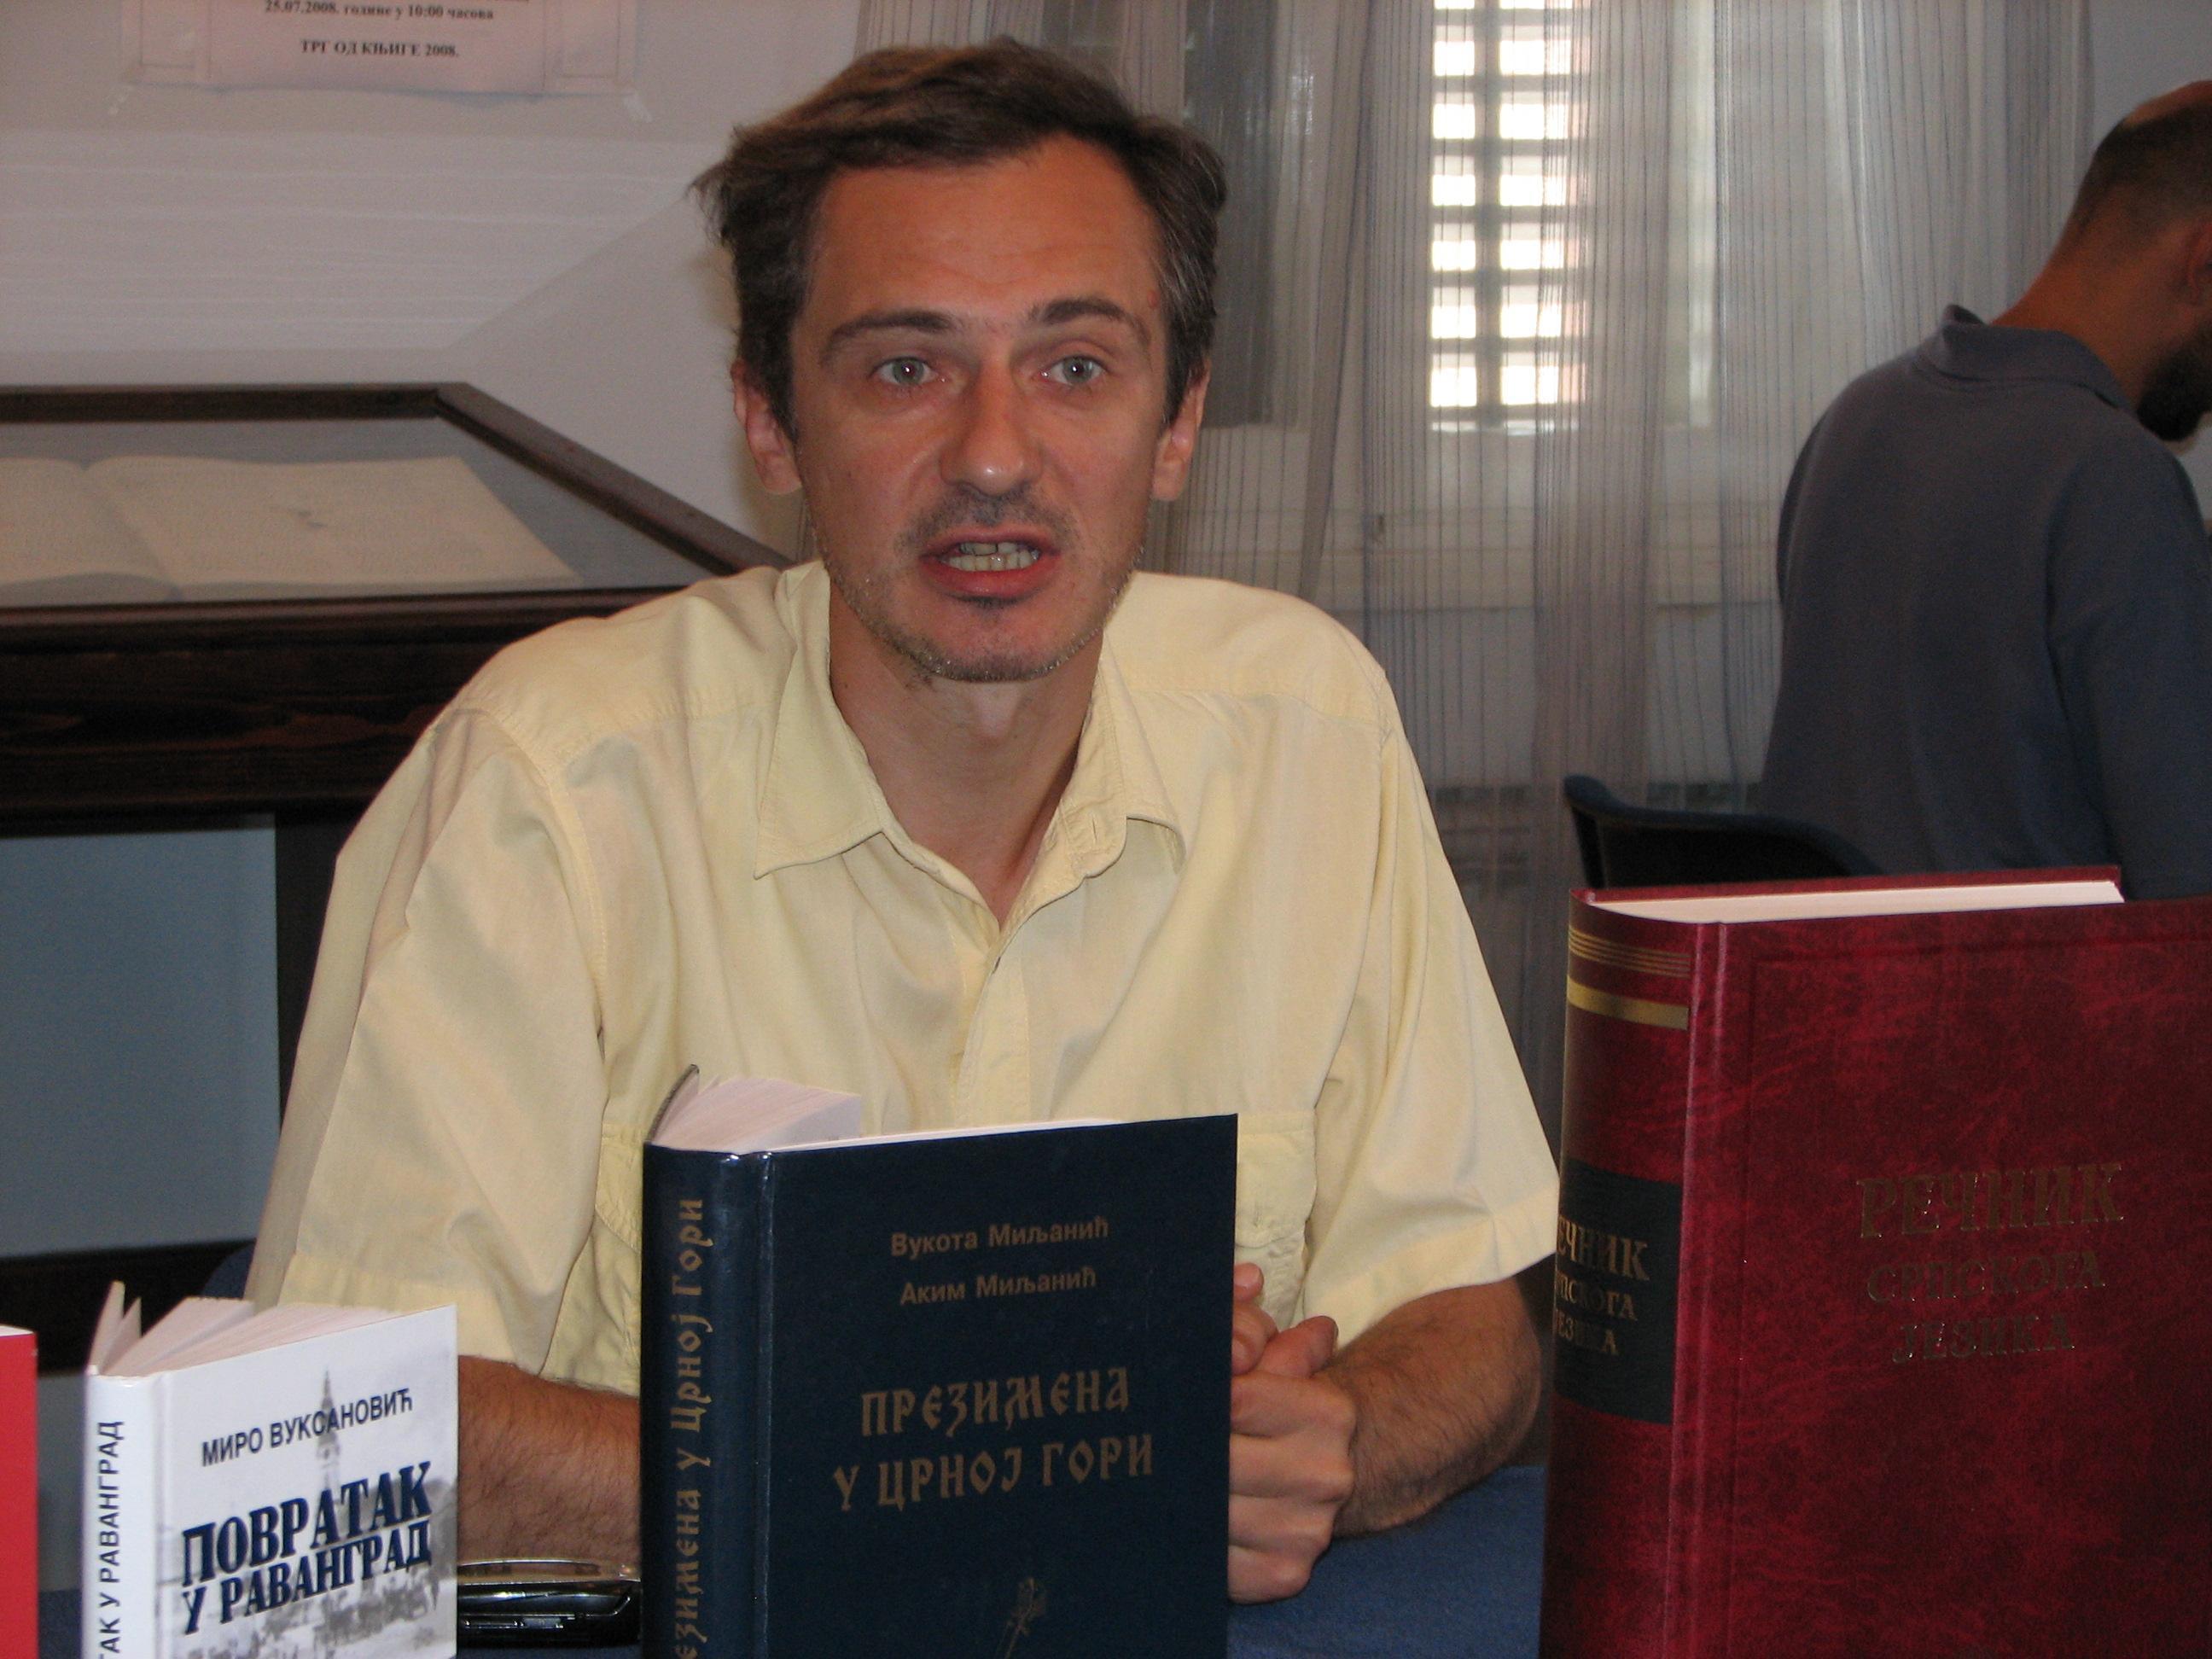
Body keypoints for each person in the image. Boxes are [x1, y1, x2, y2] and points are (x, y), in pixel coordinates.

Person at [247, 40, 1557, 1603]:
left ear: (1179, 420)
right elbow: (345, 1433)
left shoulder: (1308, 726)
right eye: (903, 370)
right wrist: (944, 1479)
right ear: (771, 421)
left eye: (1076, 367)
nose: (994, 456)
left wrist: (1339, 1433)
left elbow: (1471, 1307)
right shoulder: (547, 780)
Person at [1761, 83, 2212, 899]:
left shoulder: (1855, 420)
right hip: (2020, 982)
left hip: (1831, 976)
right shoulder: (2115, 481)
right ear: (2203, 261)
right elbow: (2189, 891)